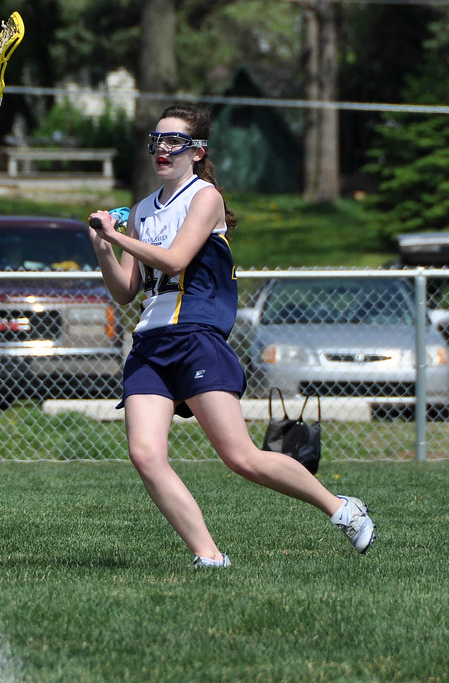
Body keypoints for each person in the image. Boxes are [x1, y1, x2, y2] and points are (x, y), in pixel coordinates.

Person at [88, 104, 374, 567]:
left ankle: (342, 508)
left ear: (197, 152)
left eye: (173, 142)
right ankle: (209, 556)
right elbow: (125, 291)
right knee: (144, 454)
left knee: (241, 457)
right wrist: (103, 247)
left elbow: (177, 260)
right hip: (151, 345)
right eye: (157, 141)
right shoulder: (141, 210)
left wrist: (117, 237)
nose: (162, 149)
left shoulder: (205, 198)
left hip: (196, 336)